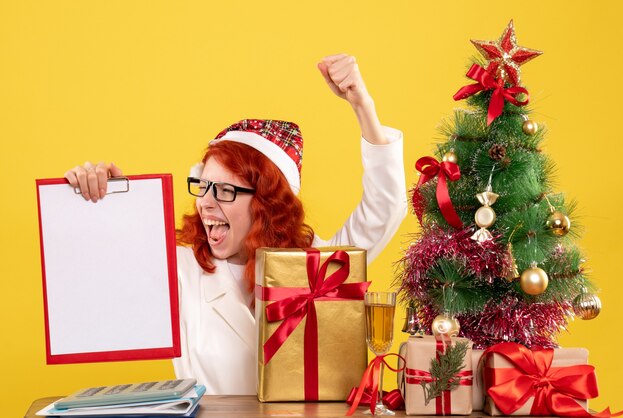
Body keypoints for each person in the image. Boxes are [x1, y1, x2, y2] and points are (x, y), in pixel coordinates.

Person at [65, 54, 407, 394]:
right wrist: (105, 203)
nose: (206, 203)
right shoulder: (181, 269)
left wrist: (363, 104)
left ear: (267, 205)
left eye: (226, 190)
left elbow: (384, 210)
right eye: (203, 186)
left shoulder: (317, 267)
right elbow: (97, 289)